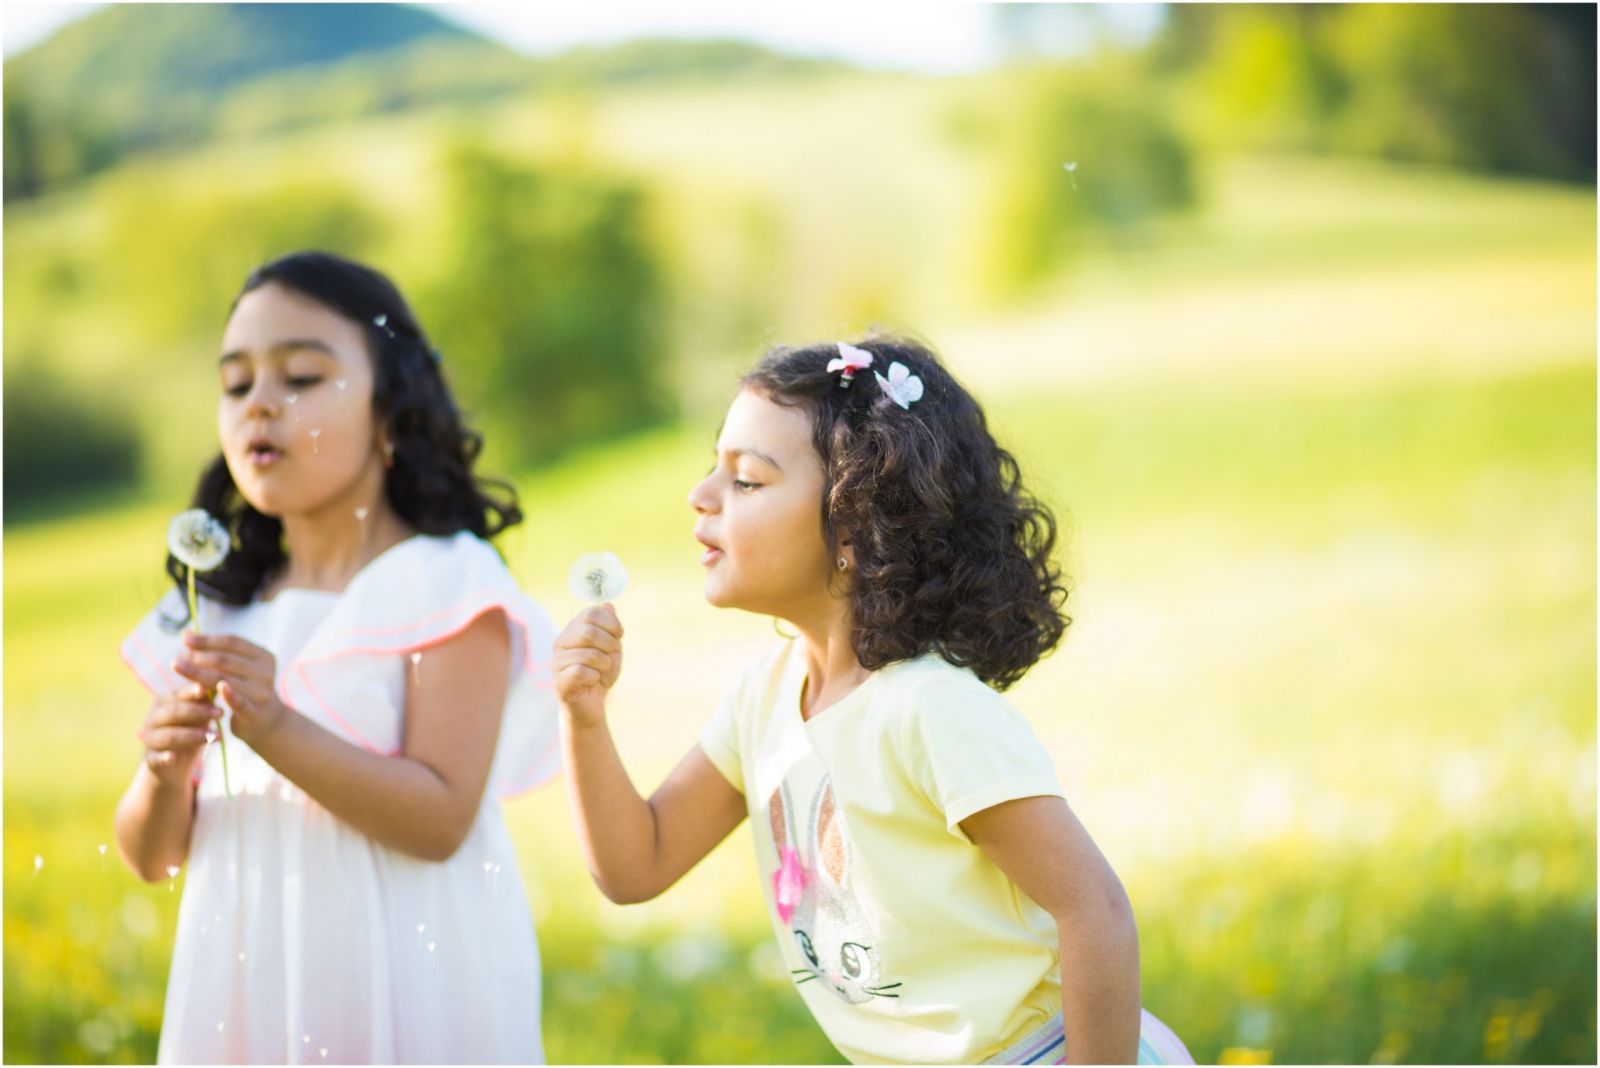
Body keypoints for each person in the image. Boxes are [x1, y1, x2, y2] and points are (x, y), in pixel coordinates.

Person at [553, 337, 1193, 1064]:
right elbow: (638, 864)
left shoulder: (928, 710)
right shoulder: (761, 700)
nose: (701, 496)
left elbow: (1095, 911)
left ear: (853, 521)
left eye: (748, 482)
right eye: (714, 469)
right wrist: (583, 718)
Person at [113, 250, 557, 1064]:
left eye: (302, 378)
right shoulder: (221, 601)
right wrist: (162, 769)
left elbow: (440, 819)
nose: (260, 407)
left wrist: (275, 725)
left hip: (411, 973)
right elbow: (150, 857)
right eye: (236, 383)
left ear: (391, 410)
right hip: (251, 974)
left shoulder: (447, 584)